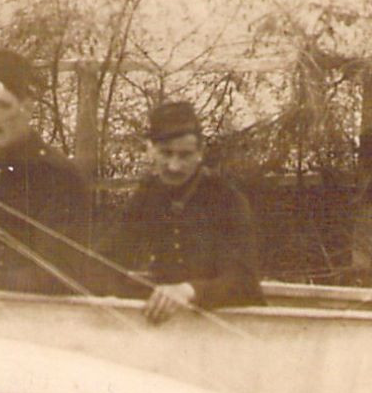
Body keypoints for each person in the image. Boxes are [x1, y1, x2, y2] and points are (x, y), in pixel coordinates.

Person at [111, 101, 263, 324]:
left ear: (200, 153)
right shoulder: (146, 196)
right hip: (173, 324)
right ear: (150, 149)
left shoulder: (226, 199)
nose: (174, 166)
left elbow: (244, 281)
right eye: (166, 153)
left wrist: (188, 290)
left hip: (236, 326)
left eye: (185, 155)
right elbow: (107, 257)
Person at [0, 49, 93, 294]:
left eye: (0, 107)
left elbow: (58, 277)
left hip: (43, 316)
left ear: (27, 107)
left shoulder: (58, 175)